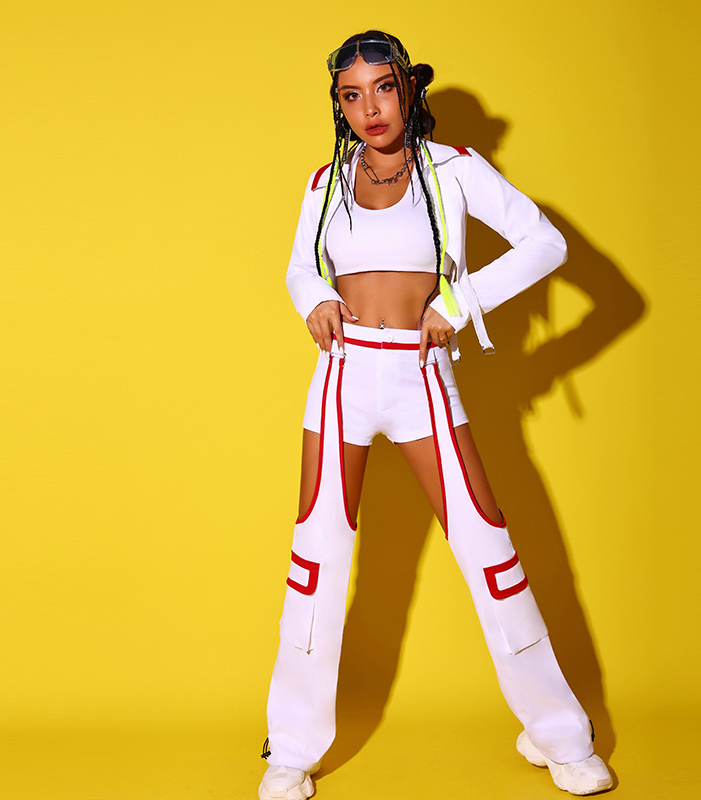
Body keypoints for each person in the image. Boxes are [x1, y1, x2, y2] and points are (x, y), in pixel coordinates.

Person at [259, 30, 613, 799]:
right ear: (340, 105)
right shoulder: (325, 181)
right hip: (341, 373)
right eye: (351, 95)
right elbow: (299, 267)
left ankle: (559, 735)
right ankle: (290, 748)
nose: (369, 108)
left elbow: (543, 243)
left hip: (420, 376)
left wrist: (462, 301)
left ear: (408, 89)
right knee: (316, 555)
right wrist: (314, 298)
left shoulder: (454, 168)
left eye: (382, 88)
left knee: (489, 549)